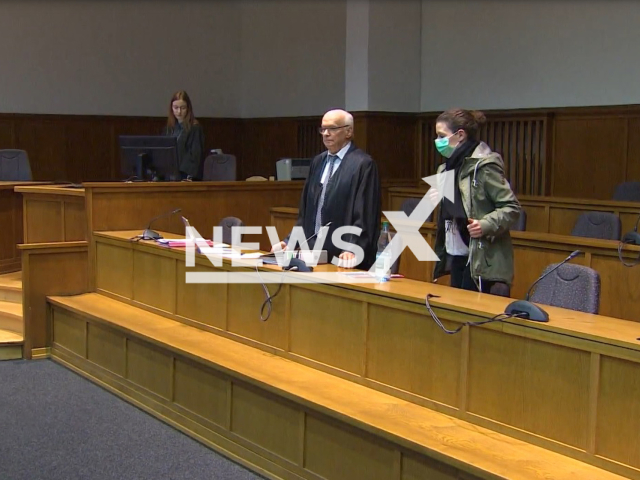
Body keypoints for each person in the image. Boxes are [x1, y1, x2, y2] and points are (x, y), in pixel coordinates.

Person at [271, 109, 381, 270]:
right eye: (323, 129)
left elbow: (365, 214)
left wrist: (352, 248)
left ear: (348, 131)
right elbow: (306, 212)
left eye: (333, 129)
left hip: (344, 256)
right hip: (314, 254)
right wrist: (290, 241)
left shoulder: (363, 164)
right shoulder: (318, 161)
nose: (326, 134)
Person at [430, 109, 521, 296]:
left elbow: (511, 208)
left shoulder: (485, 166)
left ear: (460, 135)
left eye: (441, 136)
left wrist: (486, 224)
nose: (438, 142)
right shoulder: (446, 169)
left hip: (483, 260)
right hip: (457, 255)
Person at [163, 90, 204, 180]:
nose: (179, 111)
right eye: (176, 107)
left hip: (185, 176)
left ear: (188, 108)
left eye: (183, 108)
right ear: (171, 108)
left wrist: (189, 176)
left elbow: (195, 156)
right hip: (169, 174)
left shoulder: (194, 128)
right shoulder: (169, 129)